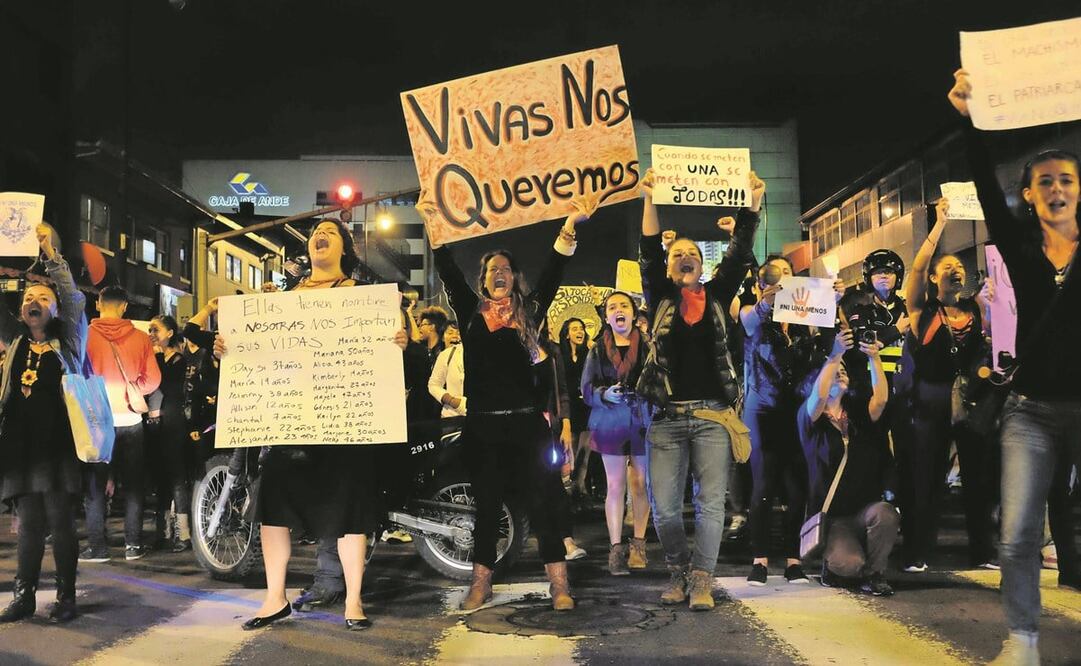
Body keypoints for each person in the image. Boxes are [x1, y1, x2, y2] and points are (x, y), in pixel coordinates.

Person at [214, 219, 407, 631]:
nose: (320, 236)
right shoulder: (283, 301)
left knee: (349, 513)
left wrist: (400, 346)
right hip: (291, 427)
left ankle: (353, 599)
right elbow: (259, 360)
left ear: (344, 250)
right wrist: (228, 348)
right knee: (273, 510)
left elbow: (388, 363)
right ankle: (274, 598)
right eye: (316, 232)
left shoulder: (361, 298)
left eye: (331, 232)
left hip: (344, 424)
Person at [949, 69, 1081, 665]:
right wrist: (968, 120)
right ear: (1028, 194)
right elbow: (981, 178)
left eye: (1067, 179)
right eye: (1044, 181)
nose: (1056, 188)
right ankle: (1023, 643)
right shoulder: (1020, 247)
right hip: (1029, 411)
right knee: (1019, 533)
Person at [417, 194, 596, 612]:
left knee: (544, 505)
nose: (499, 274)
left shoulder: (530, 312)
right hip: (483, 428)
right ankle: (481, 585)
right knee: (487, 509)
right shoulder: (470, 311)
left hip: (528, 428)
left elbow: (554, 269)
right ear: (483, 281)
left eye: (505, 269)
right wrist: (433, 224)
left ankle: (559, 586)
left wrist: (569, 225)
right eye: (491, 270)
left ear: (516, 277)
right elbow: (446, 269)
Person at [636, 167, 764, 610]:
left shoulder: (717, 292)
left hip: (712, 418)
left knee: (711, 504)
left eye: (692, 253)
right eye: (678, 254)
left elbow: (740, 250)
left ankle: (703, 581)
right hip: (667, 421)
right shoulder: (660, 297)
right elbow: (649, 251)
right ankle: (678, 572)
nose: (684, 257)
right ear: (671, 266)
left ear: (702, 264)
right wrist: (650, 198)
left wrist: (753, 203)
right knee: (667, 509)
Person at [896, 196, 996, 573]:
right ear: (936, 279)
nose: (955, 270)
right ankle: (918, 552)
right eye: (947, 267)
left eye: (959, 266)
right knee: (927, 477)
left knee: (978, 476)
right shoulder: (923, 309)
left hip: (970, 401)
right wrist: (939, 225)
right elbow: (918, 268)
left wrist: (988, 309)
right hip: (930, 400)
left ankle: (982, 551)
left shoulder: (974, 309)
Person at [0, 225, 86, 623]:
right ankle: (24, 595)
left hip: (58, 447)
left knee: (60, 523)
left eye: (42, 297)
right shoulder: (15, 341)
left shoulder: (68, 340)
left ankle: (66, 597)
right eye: (29, 298)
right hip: (20, 448)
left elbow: (73, 296)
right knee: (29, 526)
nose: (33, 302)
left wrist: (51, 253)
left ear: (54, 309)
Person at [739, 255, 827, 586]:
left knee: (796, 487)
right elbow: (748, 323)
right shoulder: (753, 313)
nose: (783, 281)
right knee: (763, 485)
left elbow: (821, 354)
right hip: (762, 411)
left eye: (789, 275)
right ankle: (759, 560)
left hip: (798, 411)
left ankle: (793, 561)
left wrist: (832, 301)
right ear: (761, 284)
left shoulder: (806, 319)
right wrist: (766, 303)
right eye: (775, 276)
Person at [800, 330, 898, 596]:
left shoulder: (856, 411)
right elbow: (818, 399)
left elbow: (881, 400)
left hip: (863, 509)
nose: (840, 371)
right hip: (834, 518)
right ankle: (839, 563)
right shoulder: (812, 419)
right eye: (833, 370)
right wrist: (834, 355)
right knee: (849, 565)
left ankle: (876, 573)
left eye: (843, 369)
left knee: (885, 513)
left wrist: (874, 358)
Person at [82, 285, 161, 563]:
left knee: (94, 486)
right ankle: (133, 545)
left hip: (96, 420)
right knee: (134, 486)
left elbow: (74, 376)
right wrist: (134, 388)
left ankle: (97, 547)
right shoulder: (141, 338)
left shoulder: (85, 336)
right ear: (125, 306)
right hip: (130, 419)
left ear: (99, 304)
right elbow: (153, 379)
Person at [581, 291, 652, 576]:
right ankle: (615, 549)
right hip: (610, 422)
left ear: (634, 314)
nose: (618, 310)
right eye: (613, 307)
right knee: (615, 485)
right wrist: (604, 393)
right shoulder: (597, 349)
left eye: (624, 305)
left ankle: (639, 544)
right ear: (606, 316)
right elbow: (585, 390)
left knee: (640, 484)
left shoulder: (648, 345)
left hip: (642, 420)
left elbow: (661, 380)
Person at [146, 315, 192, 552]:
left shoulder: (178, 361)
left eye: (156, 329)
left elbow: (167, 387)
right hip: (155, 423)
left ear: (170, 333)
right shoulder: (156, 358)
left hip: (172, 422)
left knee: (176, 478)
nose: (151, 333)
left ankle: (183, 533)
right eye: (150, 329)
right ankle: (161, 531)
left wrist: (154, 357)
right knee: (160, 478)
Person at [557, 317, 594, 497]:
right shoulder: (559, 355)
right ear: (566, 334)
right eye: (574, 329)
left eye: (581, 328)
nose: (579, 332)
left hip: (586, 408)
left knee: (584, 453)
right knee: (567, 453)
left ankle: (580, 489)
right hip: (568, 409)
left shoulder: (587, 353)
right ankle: (566, 491)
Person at [429, 321, 466, 419]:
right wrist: (452, 401)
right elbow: (433, 384)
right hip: (451, 415)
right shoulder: (445, 354)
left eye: (458, 333)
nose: (455, 336)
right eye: (450, 333)